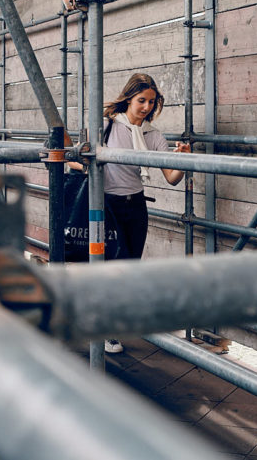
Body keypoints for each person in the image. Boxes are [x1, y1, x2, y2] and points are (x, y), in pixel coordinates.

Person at [101, 73, 190, 353]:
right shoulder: (106, 126)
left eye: (152, 102)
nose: (146, 107)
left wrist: (184, 158)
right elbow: (81, 159)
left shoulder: (153, 135)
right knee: (114, 264)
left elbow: (172, 178)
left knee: (129, 266)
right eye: (141, 101)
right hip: (106, 203)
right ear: (128, 98)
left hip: (135, 204)